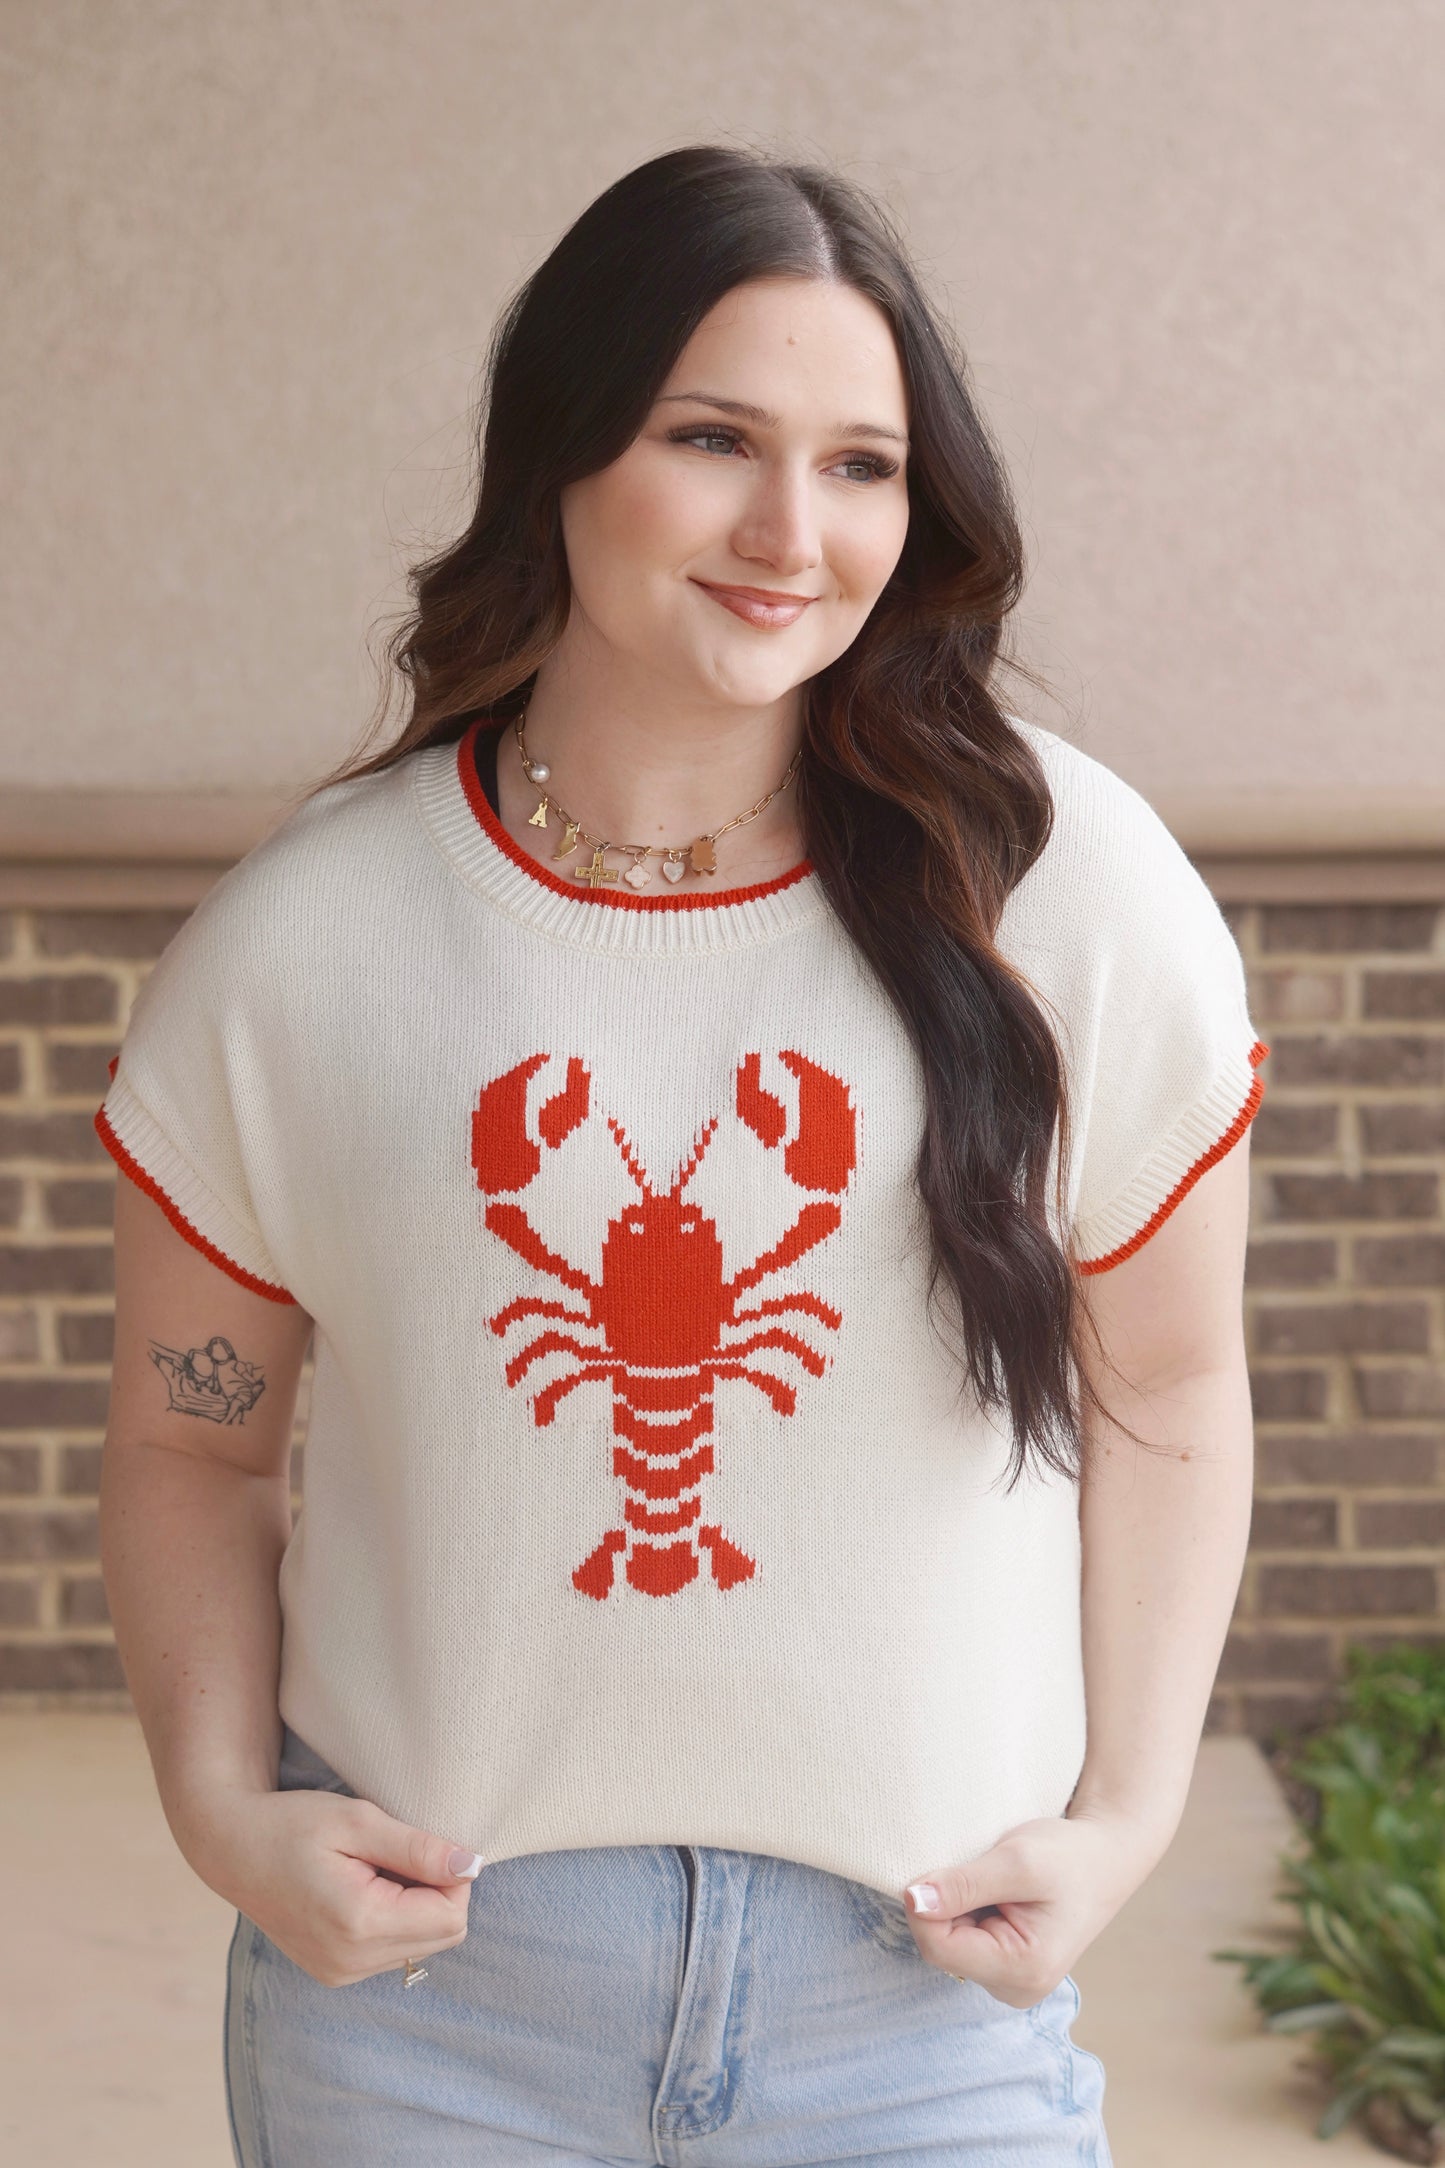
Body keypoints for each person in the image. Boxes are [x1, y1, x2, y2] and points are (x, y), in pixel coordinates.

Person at [97, 143, 1264, 2165]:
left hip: (921, 2000)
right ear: (561, 450)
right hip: (429, 2014)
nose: (791, 532)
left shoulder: (1068, 894)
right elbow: (195, 1428)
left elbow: (1164, 1374)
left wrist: (1131, 1814)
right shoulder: (311, 938)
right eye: (712, 438)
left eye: (863, 466)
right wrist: (224, 1810)